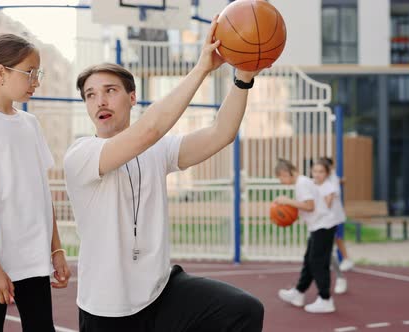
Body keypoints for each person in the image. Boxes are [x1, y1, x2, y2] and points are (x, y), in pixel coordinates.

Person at [64, 16, 264, 332]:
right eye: (90, 94)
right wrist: (201, 68)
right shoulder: (81, 154)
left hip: (160, 292)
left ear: (132, 98)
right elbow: (151, 129)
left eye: (109, 90)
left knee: (243, 310)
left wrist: (243, 78)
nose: (99, 100)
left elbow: (221, 133)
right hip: (107, 308)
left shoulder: (158, 150)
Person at [0, 33, 71, 332]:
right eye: (30, 73)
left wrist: (56, 250)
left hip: (33, 257)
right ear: (0, 73)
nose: (36, 81)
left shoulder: (30, 124)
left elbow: (42, 193)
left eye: (38, 73)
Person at [274, 159, 337, 313]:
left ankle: (325, 299)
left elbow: (310, 206)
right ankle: (299, 293)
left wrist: (287, 201)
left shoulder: (302, 183)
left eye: (280, 178)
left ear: (285, 173)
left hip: (324, 226)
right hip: (319, 226)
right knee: (309, 261)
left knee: (318, 263)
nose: (281, 181)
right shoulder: (302, 182)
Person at [323, 157, 354, 273]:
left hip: (335, 215)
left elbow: (332, 193)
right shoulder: (332, 178)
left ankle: (346, 259)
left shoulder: (332, 178)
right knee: (333, 239)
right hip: (330, 215)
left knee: (337, 238)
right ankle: (340, 260)